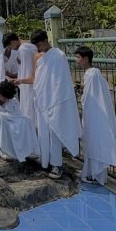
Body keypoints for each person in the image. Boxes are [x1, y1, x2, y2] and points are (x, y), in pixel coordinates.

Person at [31, 29, 82, 179]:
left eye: (40, 44)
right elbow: (37, 79)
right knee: (43, 132)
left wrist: (56, 100)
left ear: (46, 40)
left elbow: (61, 81)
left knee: (55, 133)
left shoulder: (59, 56)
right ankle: (44, 162)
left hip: (55, 101)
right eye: (36, 46)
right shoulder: (39, 58)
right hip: (41, 100)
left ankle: (56, 165)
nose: (39, 48)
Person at [75, 46, 116, 184]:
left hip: (95, 114)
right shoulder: (91, 73)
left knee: (96, 141)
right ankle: (89, 172)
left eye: (78, 57)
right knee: (91, 141)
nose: (76, 60)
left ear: (85, 59)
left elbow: (91, 96)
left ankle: (96, 175)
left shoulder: (92, 74)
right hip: (92, 114)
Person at [0, 80, 39, 162]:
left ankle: (28, 150)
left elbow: (17, 114)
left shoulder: (12, 99)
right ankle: (3, 150)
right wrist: (8, 115)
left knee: (27, 120)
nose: (4, 99)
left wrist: (9, 116)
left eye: (6, 98)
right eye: (3, 97)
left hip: (9, 122)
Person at [5, 33, 39, 126]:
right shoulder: (28, 46)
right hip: (29, 82)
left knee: (29, 109)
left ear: (13, 42)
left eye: (9, 46)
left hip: (28, 85)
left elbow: (27, 70)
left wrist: (21, 81)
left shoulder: (23, 49)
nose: (11, 49)